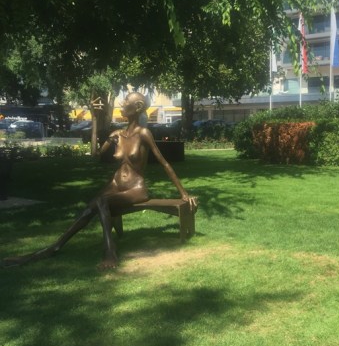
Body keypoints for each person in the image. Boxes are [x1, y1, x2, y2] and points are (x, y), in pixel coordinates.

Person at [2, 92, 196, 270]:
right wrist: (97, 123)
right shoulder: (117, 134)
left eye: (126, 101)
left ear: (137, 107)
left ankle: (109, 251)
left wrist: (184, 194)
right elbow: (96, 154)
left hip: (136, 188)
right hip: (115, 185)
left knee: (101, 202)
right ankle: (53, 247)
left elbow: (164, 163)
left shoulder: (143, 134)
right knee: (88, 210)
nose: (122, 104)